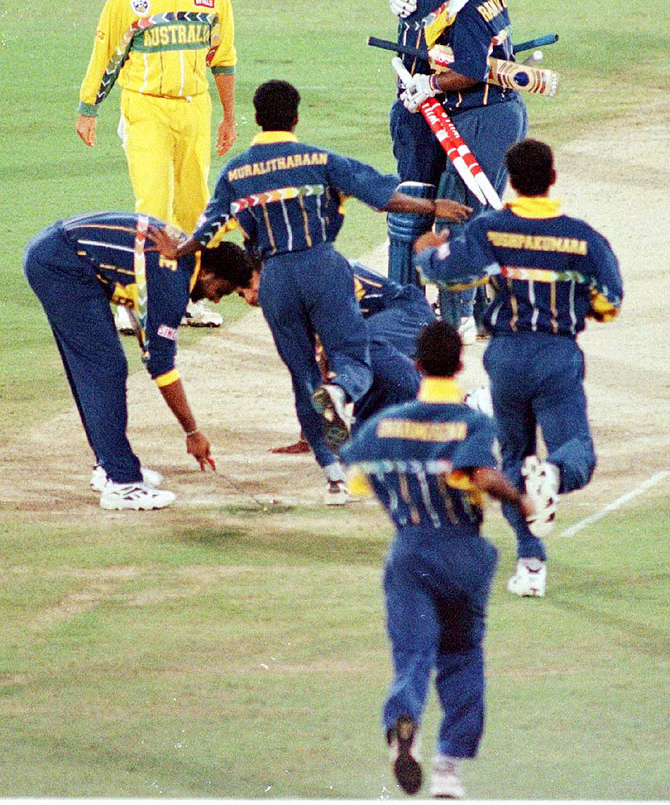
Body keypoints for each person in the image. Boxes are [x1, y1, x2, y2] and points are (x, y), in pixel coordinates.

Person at [149, 79, 471, 506]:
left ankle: (334, 477)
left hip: (277, 278)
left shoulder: (236, 172)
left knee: (302, 375)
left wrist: (181, 248)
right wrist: (432, 208)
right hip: (322, 266)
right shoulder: (320, 159)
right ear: (296, 117)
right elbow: (381, 196)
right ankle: (341, 394)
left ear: (258, 118)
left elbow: (208, 230)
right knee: (350, 356)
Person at [339, 320, 549, 798]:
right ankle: (448, 769)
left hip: (409, 552)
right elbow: (479, 474)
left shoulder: (383, 424)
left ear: (416, 364)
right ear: (459, 365)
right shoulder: (474, 423)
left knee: (412, 655)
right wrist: (520, 500)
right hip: (462, 554)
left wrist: (399, 502)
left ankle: (403, 722)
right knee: (461, 656)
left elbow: (358, 470)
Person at [414, 139, 623, 596]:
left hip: (506, 359)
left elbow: (450, 275)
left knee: (514, 459)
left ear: (510, 180)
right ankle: (554, 477)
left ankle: (530, 565)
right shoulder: (583, 237)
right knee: (575, 451)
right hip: (556, 356)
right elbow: (610, 303)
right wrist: (580, 303)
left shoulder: (491, 229)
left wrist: (425, 251)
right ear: (552, 177)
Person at [76, 0, 237, 329]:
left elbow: (223, 59)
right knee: (152, 206)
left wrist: (228, 117)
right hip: (145, 106)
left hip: (194, 109)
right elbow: (105, 52)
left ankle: (183, 298)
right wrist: (88, 107)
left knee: (193, 207)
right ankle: (132, 302)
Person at [23, 214, 253, 510]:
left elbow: (138, 292)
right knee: (104, 368)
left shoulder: (182, 256)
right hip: (62, 263)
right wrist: (192, 432)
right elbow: (162, 367)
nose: (216, 300)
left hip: (57, 253)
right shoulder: (174, 279)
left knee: (97, 367)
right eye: (221, 290)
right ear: (208, 271)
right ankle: (122, 483)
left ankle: (110, 465)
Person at [391, 0, 528, 342]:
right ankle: (484, 313)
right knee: (472, 213)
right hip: (493, 114)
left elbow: (469, 70)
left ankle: (459, 318)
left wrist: (430, 85)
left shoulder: (467, 8)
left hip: (483, 116)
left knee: (460, 216)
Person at [235, 256, 438, 455]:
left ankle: (447, 405)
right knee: (361, 448)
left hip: (406, 315)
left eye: (247, 284)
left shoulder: (308, 276)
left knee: (359, 352)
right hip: (379, 333)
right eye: (240, 295)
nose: (249, 298)